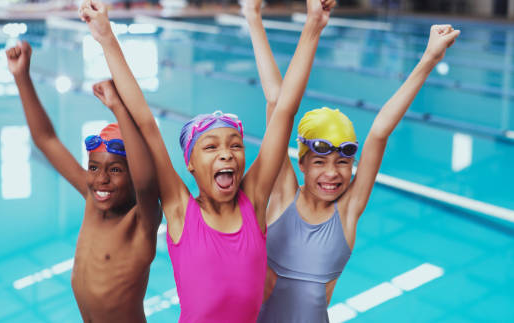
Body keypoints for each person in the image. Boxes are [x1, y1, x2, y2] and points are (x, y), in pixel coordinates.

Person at [78, 0, 335, 321]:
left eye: (235, 146)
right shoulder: (180, 210)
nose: (226, 152)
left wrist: (313, 25)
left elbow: (284, 111)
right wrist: (106, 37)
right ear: (190, 164)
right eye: (211, 147)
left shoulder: (253, 202)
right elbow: (146, 123)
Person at [243, 1, 460, 320]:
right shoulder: (281, 196)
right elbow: (278, 104)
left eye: (342, 162)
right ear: (301, 164)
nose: (332, 173)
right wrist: (256, 17)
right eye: (319, 162)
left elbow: (379, 134)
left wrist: (429, 58)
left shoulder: (346, 212)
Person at [6, 42, 161, 323]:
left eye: (115, 170)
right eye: (93, 168)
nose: (100, 179)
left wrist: (118, 108)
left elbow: (147, 184)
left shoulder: (141, 221)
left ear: (132, 172)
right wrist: (22, 77)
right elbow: (46, 140)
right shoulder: (93, 200)